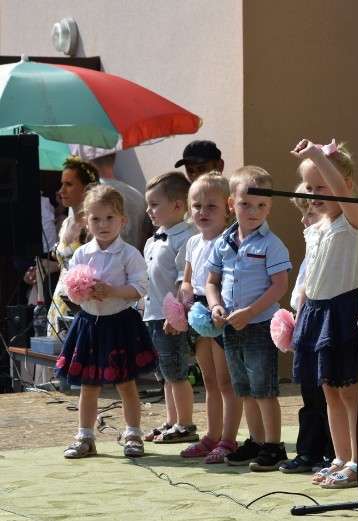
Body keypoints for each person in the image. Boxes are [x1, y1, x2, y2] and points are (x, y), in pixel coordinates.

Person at [290, 139, 358, 488]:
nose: (315, 194)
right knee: (329, 391)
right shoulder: (315, 228)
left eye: (322, 186)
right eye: (309, 187)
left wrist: (316, 156)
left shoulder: (352, 220)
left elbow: (341, 191)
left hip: (344, 311)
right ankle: (341, 457)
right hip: (317, 313)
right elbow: (310, 275)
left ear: (346, 187)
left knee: (350, 393)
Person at [56, 185, 158, 458]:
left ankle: (133, 434)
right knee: (88, 386)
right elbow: (71, 290)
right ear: (86, 222)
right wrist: (82, 293)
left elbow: (140, 288)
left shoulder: (129, 254)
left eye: (110, 218)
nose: (103, 225)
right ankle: (85, 438)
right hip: (89, 325)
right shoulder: (81, 254)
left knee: (125, 384)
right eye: (96, 219)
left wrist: (111, 290)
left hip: (120, 325)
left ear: (122, 220)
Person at [207, 166, 291, 472]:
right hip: (231, 326)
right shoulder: (222, 243)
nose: (253, 211)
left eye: (261, 205)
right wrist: (215, 306)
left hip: (259, 325)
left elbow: (280, 285)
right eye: (245, 204)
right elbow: (211, 281)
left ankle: (274, 446)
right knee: (243, 388)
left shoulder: (272, 244)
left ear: (270, 207)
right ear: (232, 204)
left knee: (263, 388)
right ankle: (255, 441)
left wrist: (252, 312)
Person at [177, 172, 242, 463]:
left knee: (226, 381)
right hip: (199, 313)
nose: (203, 212)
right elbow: (188, 280)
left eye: (211, 206)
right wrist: (185, 298)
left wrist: (219, 310)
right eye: (197, 206)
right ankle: (212, 434)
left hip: (221, 311)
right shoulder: (192, 243)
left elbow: (231, 280)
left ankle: (228, 438)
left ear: (228, 208)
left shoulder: (230, 240)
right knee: (209, 380)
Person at [278, 184, 335, 474]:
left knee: (329, 395)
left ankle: (332, 452)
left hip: (325, 325)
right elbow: (301, 292)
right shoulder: (309, 253)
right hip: (307, 327)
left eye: (310, 214)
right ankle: (308, 451)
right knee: (310, 395)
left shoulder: (331, 249)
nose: (304, 220)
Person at [142, 172, 198, 445]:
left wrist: (175, 313)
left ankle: (185, 423)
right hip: (152, 316)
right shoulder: (153, 240)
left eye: (154, 204)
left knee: (176, 370)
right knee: (165, 373)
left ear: (178, 206)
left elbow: (183, 279)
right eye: (148, 204)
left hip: (170, 318)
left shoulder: (185, 237)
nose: (148, 210)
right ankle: (171, 419)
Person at [48, 157, 100, 342]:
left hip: (81, 304)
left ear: (87, 188)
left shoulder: (94, 224)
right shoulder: (67, 222)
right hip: (59, 299)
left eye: (68, 184)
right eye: (62, 184)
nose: (62, 190)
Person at [89, 153, 153, 251]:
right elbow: (144, 240)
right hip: (133, 262)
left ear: (88, 160)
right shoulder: (138, 196)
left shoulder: (88, 195)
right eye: (96, 219)